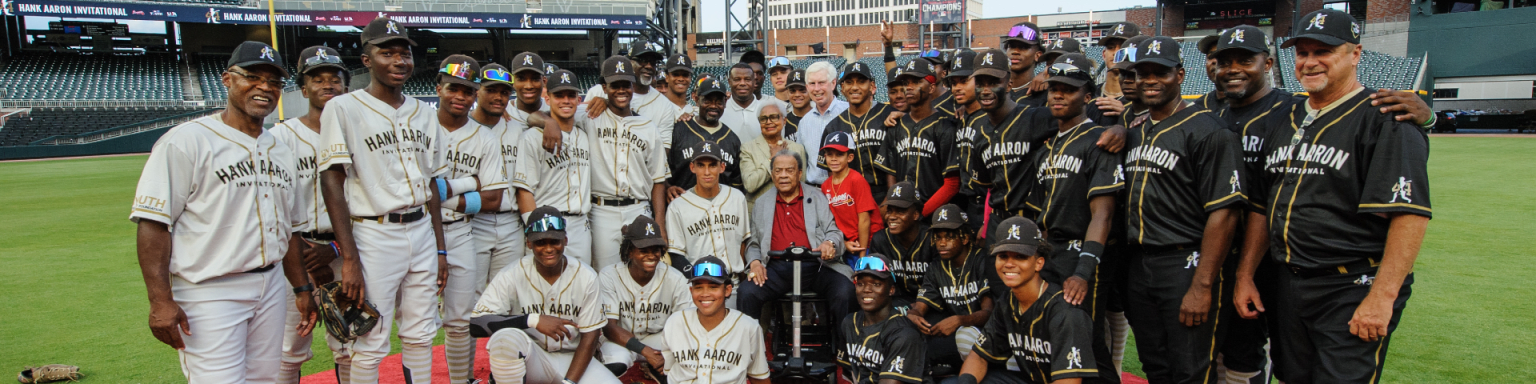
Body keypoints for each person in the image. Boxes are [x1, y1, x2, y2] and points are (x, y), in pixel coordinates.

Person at [1242, 9, 1432, 383]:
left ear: (1355, 54)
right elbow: (1263, 206)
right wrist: (1246, 273)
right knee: (1291, 377)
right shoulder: (1285, 116)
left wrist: (1382, 297)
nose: (1310, 62)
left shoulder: (1386, 116)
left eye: (1323, 51)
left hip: (1351, 282)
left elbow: (1409, 215)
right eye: (1302, 52)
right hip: (1290, 282)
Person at [132, 40, 317, 383]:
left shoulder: (280, 147)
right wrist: (160, 301)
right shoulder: (186, 140)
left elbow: (291, 231)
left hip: (272, 284)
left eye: (274, 81)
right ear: (227, 79)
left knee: (265, 378)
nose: (264, 87)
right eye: (253, 77)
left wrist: (302, 288)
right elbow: (153, 224)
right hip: (209, 289)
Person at [316, 18, 448, 384]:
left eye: (403, 53)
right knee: (369, 337)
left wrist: (440, 250)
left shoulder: (424, 112)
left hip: (421, 228)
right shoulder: (343, 108)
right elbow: (332, 182)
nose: (398, 60)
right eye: (386, 52)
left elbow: (433, 184)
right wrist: (350, 260)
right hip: (373, 233)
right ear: (365, 59)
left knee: (421, 333)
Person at [1121, 36, 1247, 384]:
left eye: (1159, 72)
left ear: (1180, 74)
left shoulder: (1210, 131)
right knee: (1155, 365)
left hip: (1186, 262)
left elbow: (1225, 213)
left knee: (1191, 370)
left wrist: (1202, 284)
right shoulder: (1135, 131)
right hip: (1141, 264)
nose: (1149, 80)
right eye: (1142, 72)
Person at [1029, 53, 1125, 384]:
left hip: (1083, 255)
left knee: (1087, 344)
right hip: (1052, 253)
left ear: (1087, 95)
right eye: (1054, 87)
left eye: (1068, 89)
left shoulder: (1098, 141)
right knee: (1059, 339)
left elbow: (1104, 213)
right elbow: (1041, 213)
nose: (1057, 94)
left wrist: (1084, 271)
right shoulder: (1046, 148)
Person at [969, 49, 1125, 232]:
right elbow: (989, 188)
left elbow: (1077, 121)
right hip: (998, 221)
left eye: (993, 82)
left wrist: (1120, 128)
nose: (986, 90)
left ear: (1009, 83)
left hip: (1031, 219)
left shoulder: (1036, 117)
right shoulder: (978, 132)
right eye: (980, 83)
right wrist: (987, 222)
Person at [431, 54, 511, 384]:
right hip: (418, 229)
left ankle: (462, 380)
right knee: (414, 320)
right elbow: (416, 189)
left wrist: (441, 190)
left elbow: (492, 198)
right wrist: (470, 183)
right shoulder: (420, 124)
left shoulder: (485, 139)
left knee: (459, 319)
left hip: (461, 230)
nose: (460, 96)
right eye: (454, 88)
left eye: (467, 90)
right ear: (438, 88)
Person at [271, 45, 348, 384]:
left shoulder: (357, 136)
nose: (327, 85)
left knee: (349, 341)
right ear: (303, 89)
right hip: (295, 254)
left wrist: (335, 250)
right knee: (290, 346)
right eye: (317, 79)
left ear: (345, 87)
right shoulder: (280, 138)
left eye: (334, 79)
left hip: (344, 252)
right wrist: (298, 251)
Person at [471, 206, 615, 384]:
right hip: (531, 358)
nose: (548, 248)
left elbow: (590, 336)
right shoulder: (512, 274)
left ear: (565, 240)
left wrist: (569, 382)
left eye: (554, 241)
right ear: (529, 243)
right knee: (505, 339)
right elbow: (476, 324)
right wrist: (533, 320)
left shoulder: (586, 276)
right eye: (540, 242)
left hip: (571, 359)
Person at [957, 217, 1101, 384]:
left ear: (1039, 263)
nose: (1009, 263)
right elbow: (979, 356)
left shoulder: (1065, 312)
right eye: (1003, 256)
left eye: (1020, 256)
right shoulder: (1007, 302)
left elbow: (1069, 381)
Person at [738, 149, 855, 325]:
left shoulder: (816, 196)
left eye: (789, 170)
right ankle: (750, 350)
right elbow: (754, 243)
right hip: (776, 268)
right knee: (747, 292)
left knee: (845, 291)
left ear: (800, 173)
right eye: (778, 171)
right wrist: (755, 263)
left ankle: (843, 349)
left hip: (816, 265)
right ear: (772, 174)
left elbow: (834, 231)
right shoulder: (762, 203)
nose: (783, 175)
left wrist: (829, 244)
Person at [581, 55, 670, 270]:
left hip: (639, 207)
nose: (621, 90)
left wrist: (660, 223)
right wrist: (547, 122)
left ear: (633, 86)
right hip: (602, 211)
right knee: (605, 274)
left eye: (626, 85)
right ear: (604, 87)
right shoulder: (589, 116)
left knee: (642, 272)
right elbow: (548, 113)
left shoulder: (648, 126)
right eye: (615, 85)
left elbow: (658, 179)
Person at [513, 69, 595, 264]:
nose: (566, 100)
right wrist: (536, 230)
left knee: (579, 287)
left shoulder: (584, 135)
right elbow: (524, 191)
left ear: (578, 99)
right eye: (559, 95)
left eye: (571, 95)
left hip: (580, 224)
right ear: (547, 99)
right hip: (547, 223)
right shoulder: (532, 137)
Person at [597, 216, 694, 376]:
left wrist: (671, 355)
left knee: (688, 357)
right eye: (643, 250)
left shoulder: (675, 279)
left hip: (658, 339)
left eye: (655, 250)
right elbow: (609, 328)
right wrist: (646, 351)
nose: (651, 256)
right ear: (630, 251)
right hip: (620, 341)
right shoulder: (609, 276)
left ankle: (656, 372)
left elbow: (685, 326)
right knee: (616, 364)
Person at [906, 204, 999, 370]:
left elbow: (988, 312)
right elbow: (920, 307)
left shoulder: (981, 260)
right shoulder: (936, 267)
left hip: (989, 333)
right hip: (959, 335)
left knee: (963, 336)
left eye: (948, 237)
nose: (942, 243)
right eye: (938, 237)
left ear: (964, 238)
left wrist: (960, 320)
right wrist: (913, 315)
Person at [659, 256, 773, 384]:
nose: (705, 293)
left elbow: (759, 377)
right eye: (698, 287)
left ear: (727, 290)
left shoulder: (749, 327)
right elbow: (669, 372)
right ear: (691, 291)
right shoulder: (675, 323)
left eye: (713, 287)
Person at [664, 140, 757, 284]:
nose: (707, 172)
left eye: (712, 165)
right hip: (699, 285)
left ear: (722, 167)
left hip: (734, 283)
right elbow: (676, 255)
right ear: (692, 167)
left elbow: (743, 243)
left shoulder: (737, 197)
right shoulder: (677, 207)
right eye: (701, 165)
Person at [473, 61, 527, 292]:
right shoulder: (463, 125)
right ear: (477, 90)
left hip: (511, 221)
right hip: (474, 221)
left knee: (507, 294)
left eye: (504, 92)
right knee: (469, 296)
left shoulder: (518, 128)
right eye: (491, 90)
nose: (498, 97)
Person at [882, 59, 960, 218]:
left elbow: (952, 185)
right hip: (903, 214)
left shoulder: (945, 127)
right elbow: (891, 173)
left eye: (917, 82)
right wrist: (896, 205)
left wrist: (920, 213)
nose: (908, 87)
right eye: (906, 82)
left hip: (935, 215)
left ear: (931, 87)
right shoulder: (896, 126)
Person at [839, 253, 929, 384]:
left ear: (891, 290)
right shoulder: (849, 323)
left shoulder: (904, 334)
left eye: (876, 284)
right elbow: (850, 373)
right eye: (860, 284)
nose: (867, 289)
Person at [581, 40, 681, 151]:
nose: (649, 66)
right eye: (642, 61)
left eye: (653, 62)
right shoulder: (598, 92)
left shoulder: (664, 105)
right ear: (629, 62)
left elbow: (663, 150)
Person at [821, 61, 898, 199]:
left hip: (886, 193)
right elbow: (832, 173)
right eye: (849, 82)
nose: (855, 87)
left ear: (872, 87)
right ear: (843, 88)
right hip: (850, 196)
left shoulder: (889, 114)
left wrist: (890, 200)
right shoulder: (833, 127)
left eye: (861, 82)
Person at [668, 77, 745, 194]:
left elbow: (736, 183)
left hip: (720, 208)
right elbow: (663, 171)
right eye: (707, 101)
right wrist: (668, 187)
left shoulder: (732, 139)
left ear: (725, 102)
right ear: (697, 100)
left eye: (719, 102)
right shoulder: (679, 129)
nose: (713, 106)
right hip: (683, 204)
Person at [819, 131, 885, 263]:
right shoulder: (825, 185)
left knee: (865, 276)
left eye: (839, 154)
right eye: (829, 154)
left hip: (869, 242)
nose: (833, 159)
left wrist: (862, 255)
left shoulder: (856, 180)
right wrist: (844, 243)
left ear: (849, 157)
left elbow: (865, 219)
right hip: (849, 243)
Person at [867, 181, 934, 306]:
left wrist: (919, 308)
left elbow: (940, 284)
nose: (892, 217)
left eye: (900, 211)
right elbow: (876, 284)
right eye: (889, 211)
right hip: (896, 303)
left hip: (931, 304)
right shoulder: (880, 240)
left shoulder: (932, 239)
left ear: (915, 214)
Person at [741, 103, 808, 204]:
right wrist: (772, 158)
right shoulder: (748, 148)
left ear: (784, 120)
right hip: (759, 212)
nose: (768, 122)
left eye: (773, 117)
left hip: (791, 210)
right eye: (763, 119)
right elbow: (750, 185)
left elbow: (801, 185)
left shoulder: (797, 149)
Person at [797, 60, 851, 185]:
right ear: (807, 87)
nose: (817, 89)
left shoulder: (848, 111)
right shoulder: (804, 122)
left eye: (821, 83)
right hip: (815, 191)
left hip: (846, 188)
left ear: (833, 83)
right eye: (812, 83)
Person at [1001, 22, 1049, 107]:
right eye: (1011, 46)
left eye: (1023, 47)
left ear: (1038, 55)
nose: (1015, 52)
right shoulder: (996, 90)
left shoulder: (1045, 94)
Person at [721, 63, 768, 144]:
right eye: (737, 79)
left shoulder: (765, 109)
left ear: (754, 82)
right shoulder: (721, 111)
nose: (742, 83)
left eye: (747, 79)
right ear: (729, 82)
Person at [1095, 22, 1140, 93]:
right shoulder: (1091, 94)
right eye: (1111, 47)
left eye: (1123, 47)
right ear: (1104, 55)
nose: (1116, 53)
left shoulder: (1143, 97)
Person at [662, 53, 698, 122]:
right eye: (675, 75)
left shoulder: (695, 114)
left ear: (690, 78)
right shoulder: (657, 107)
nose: (681, 79)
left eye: (685, 75)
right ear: (667, 77)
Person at [783, 68, 812, 138]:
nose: (797, 95)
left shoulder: (820, 118)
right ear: (787, 93)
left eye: (802, 90)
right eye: (792, 91)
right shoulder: (783, 122)